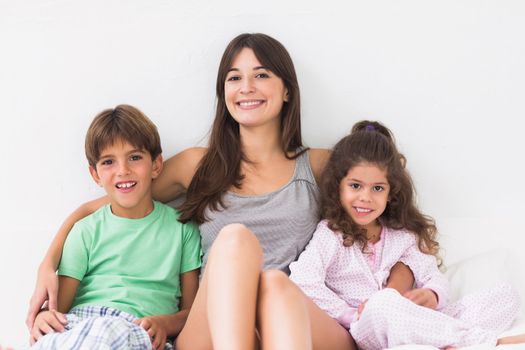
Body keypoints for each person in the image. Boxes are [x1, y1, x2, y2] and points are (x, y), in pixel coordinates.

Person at [27, 34, 414, 350]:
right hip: (216, 333)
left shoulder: (317, 165)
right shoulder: (198, 165)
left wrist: (401, 293)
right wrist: (48, 264)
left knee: (275, 283)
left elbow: (395, 218)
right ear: (223, 93)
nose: (246, 88)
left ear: (286, 92)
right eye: (234, 77)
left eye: (261, 75)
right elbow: (104, 203)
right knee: (233, 240)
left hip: (295, 322)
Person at [289, 120, 525, 349]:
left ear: (391, 192)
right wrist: (349, 315)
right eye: (355, 186)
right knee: (383, 302)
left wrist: (432, 294)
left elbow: (432, 275)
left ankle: (443, 340)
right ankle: (485, 343)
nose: (366, 197)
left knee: (506, 296)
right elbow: (302, 281)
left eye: (377, 188)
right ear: (338, 185)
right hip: (368, 326)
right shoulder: (331, 235)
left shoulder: (403, 237)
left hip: (414, 320)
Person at [29, 105, 201, 349]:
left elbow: (191, 313)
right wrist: (46, 318)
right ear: (95, 174)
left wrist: (164, 323)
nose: (123, 171)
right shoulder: (85, 230)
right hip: (82, 325)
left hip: (138, 331)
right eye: (108, 162)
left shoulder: (183, 229)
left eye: (134, 157)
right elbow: (59, 310)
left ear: (156, 165)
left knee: (109, 330)